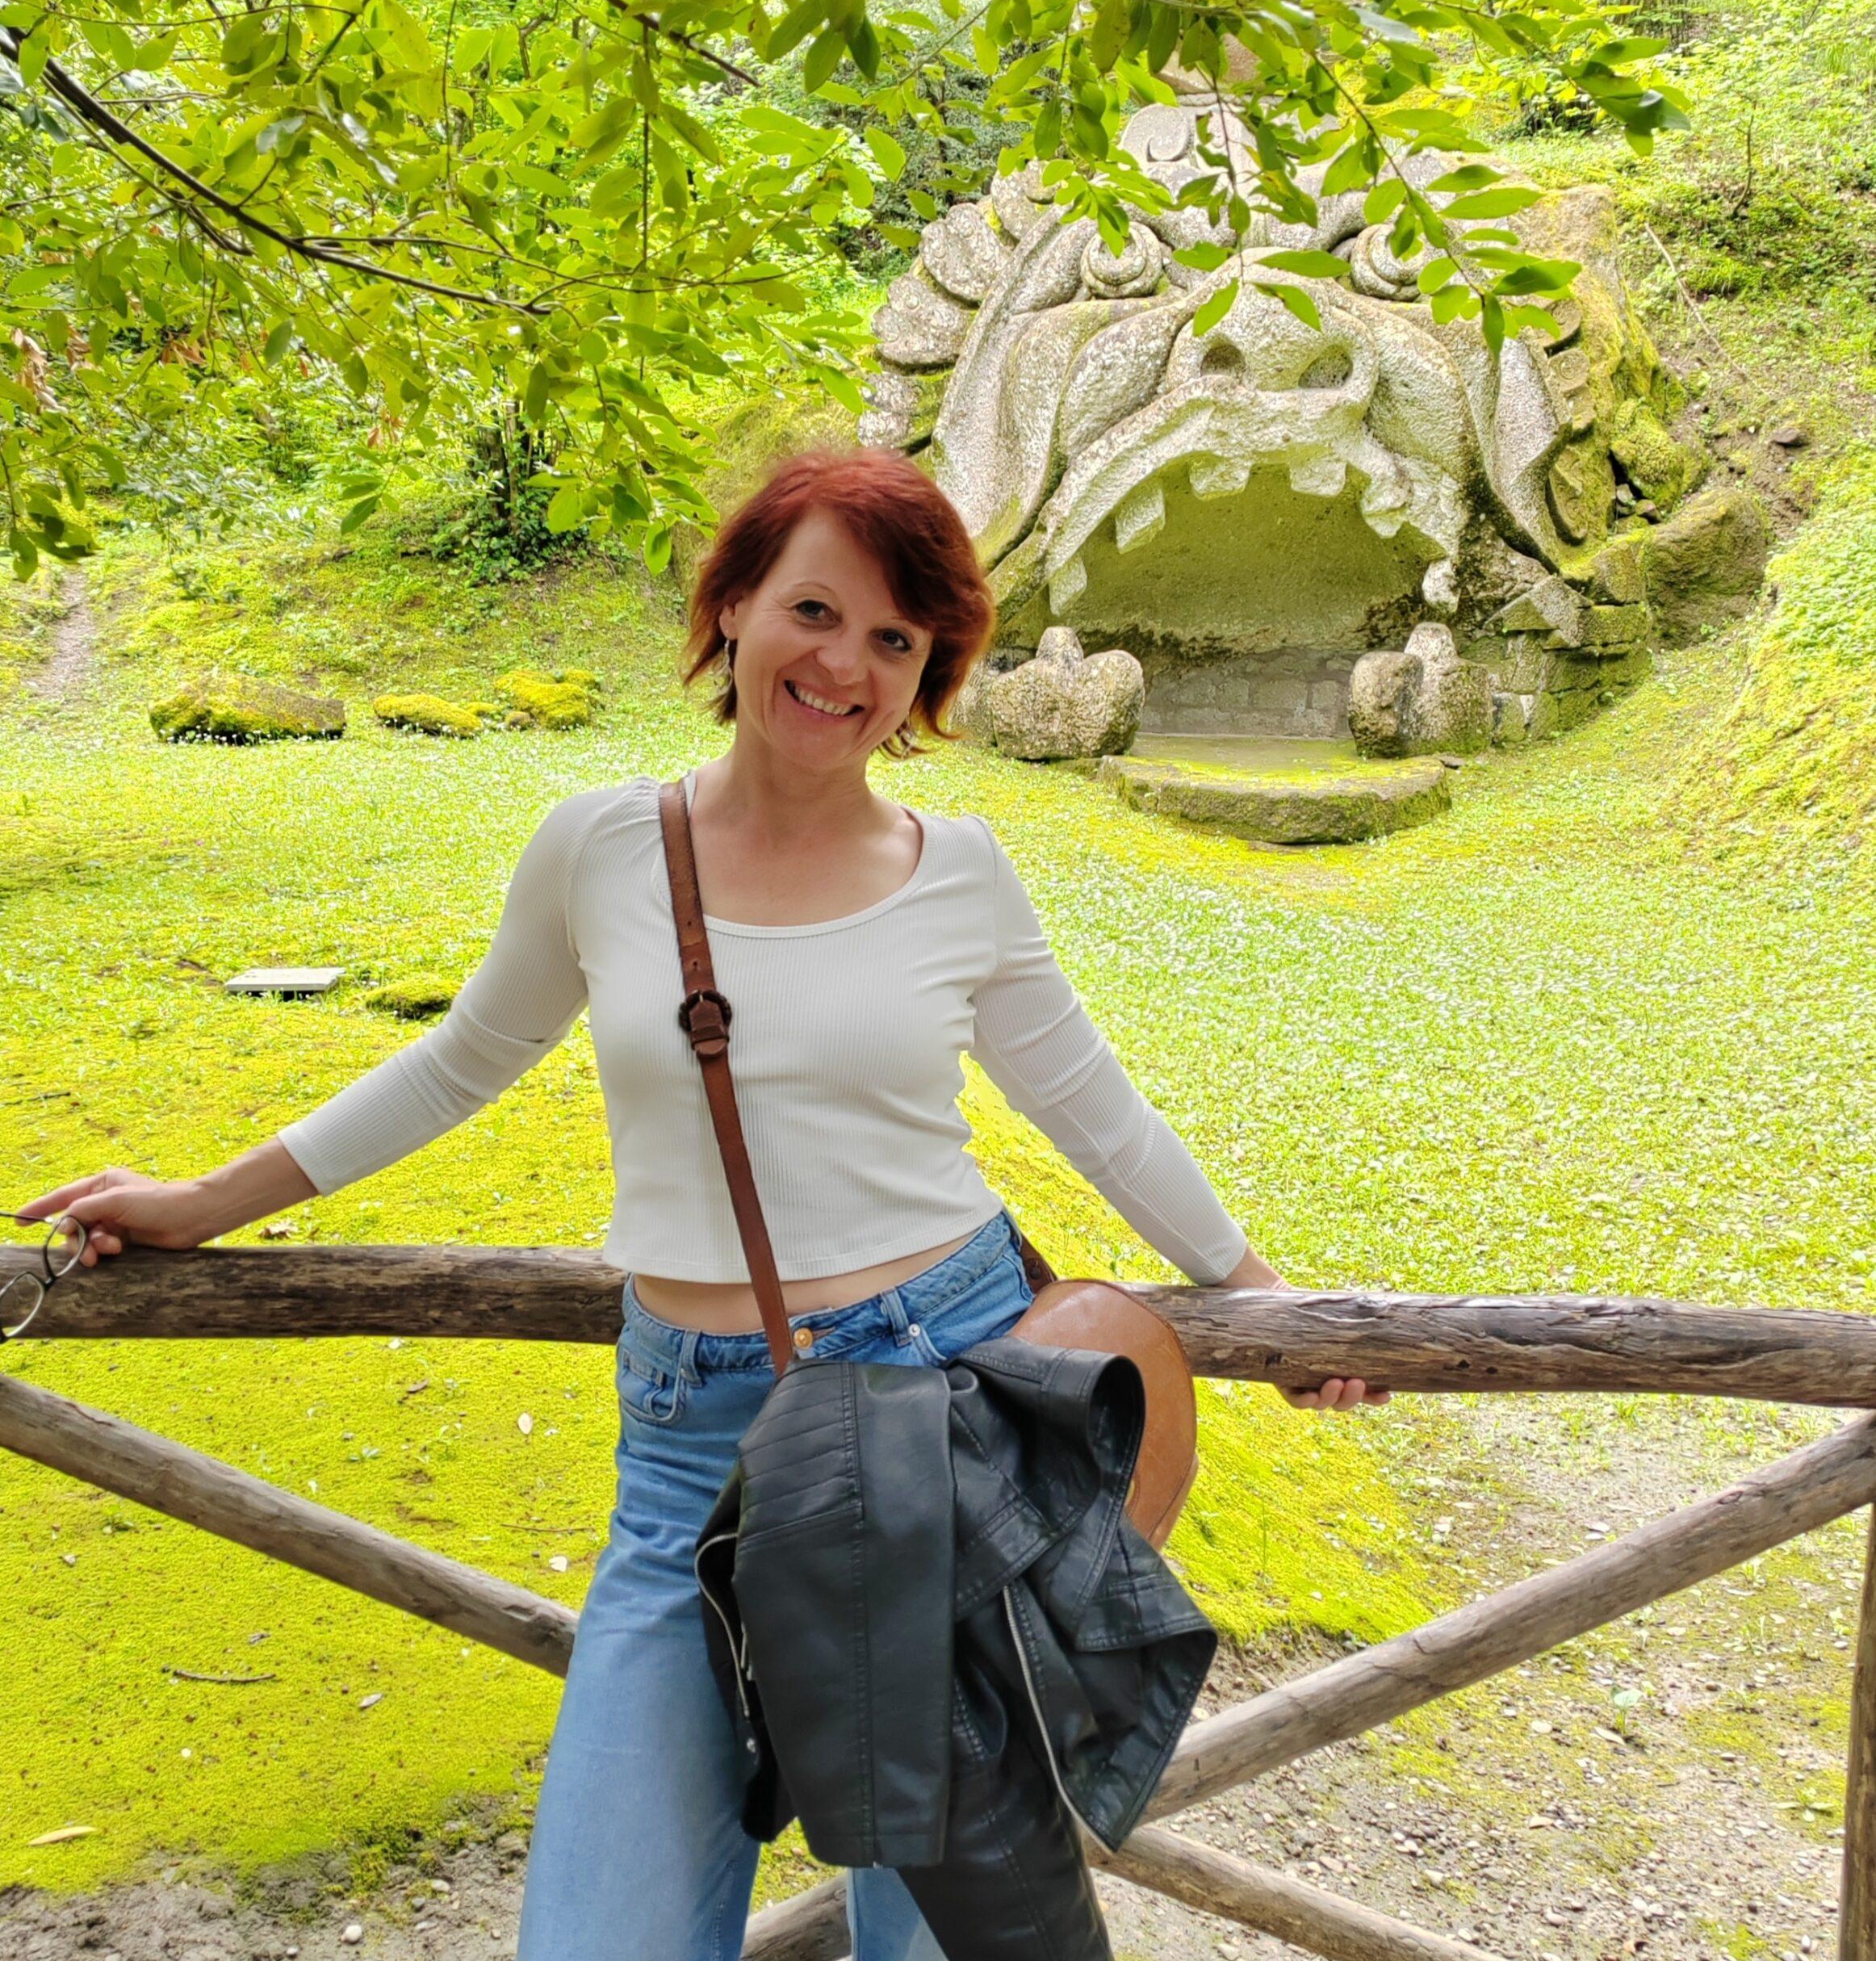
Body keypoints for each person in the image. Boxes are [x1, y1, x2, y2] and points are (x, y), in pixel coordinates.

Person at [14, 448, 1389, 1959]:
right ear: (733, 605)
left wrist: (1252, 1290)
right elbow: (463, 1061)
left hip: (945, 1418)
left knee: (936, 1934)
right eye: (815, 609)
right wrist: (206, 1200)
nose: (844, 665)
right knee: (605, 1930)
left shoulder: (963, 873)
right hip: (689, 1445)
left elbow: (1094, 1112)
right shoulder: (601, 846)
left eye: (895, 641)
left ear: (927, 674)